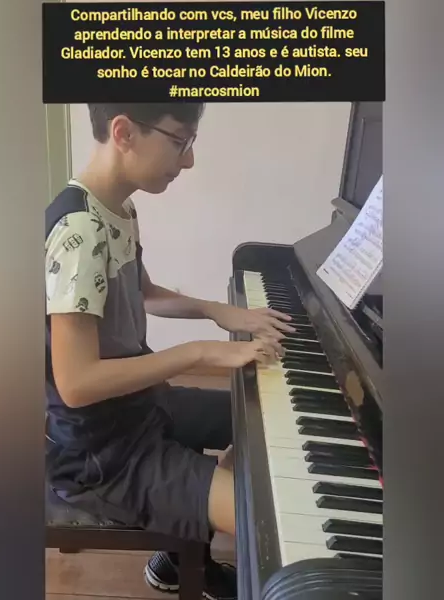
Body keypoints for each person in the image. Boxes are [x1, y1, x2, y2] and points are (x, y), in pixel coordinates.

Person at [44, 103, 295, 599]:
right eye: (181, 141)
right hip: (101, 454)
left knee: (264, 417)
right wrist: (198, 353)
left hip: (139, 408)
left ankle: (179, 556)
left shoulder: (116, 208)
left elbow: (145, 293)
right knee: (274, 524)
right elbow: (76, 385)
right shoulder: (78, 233)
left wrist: (218, 311)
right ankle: (186, 535)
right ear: (124, 132)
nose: (189, 160)